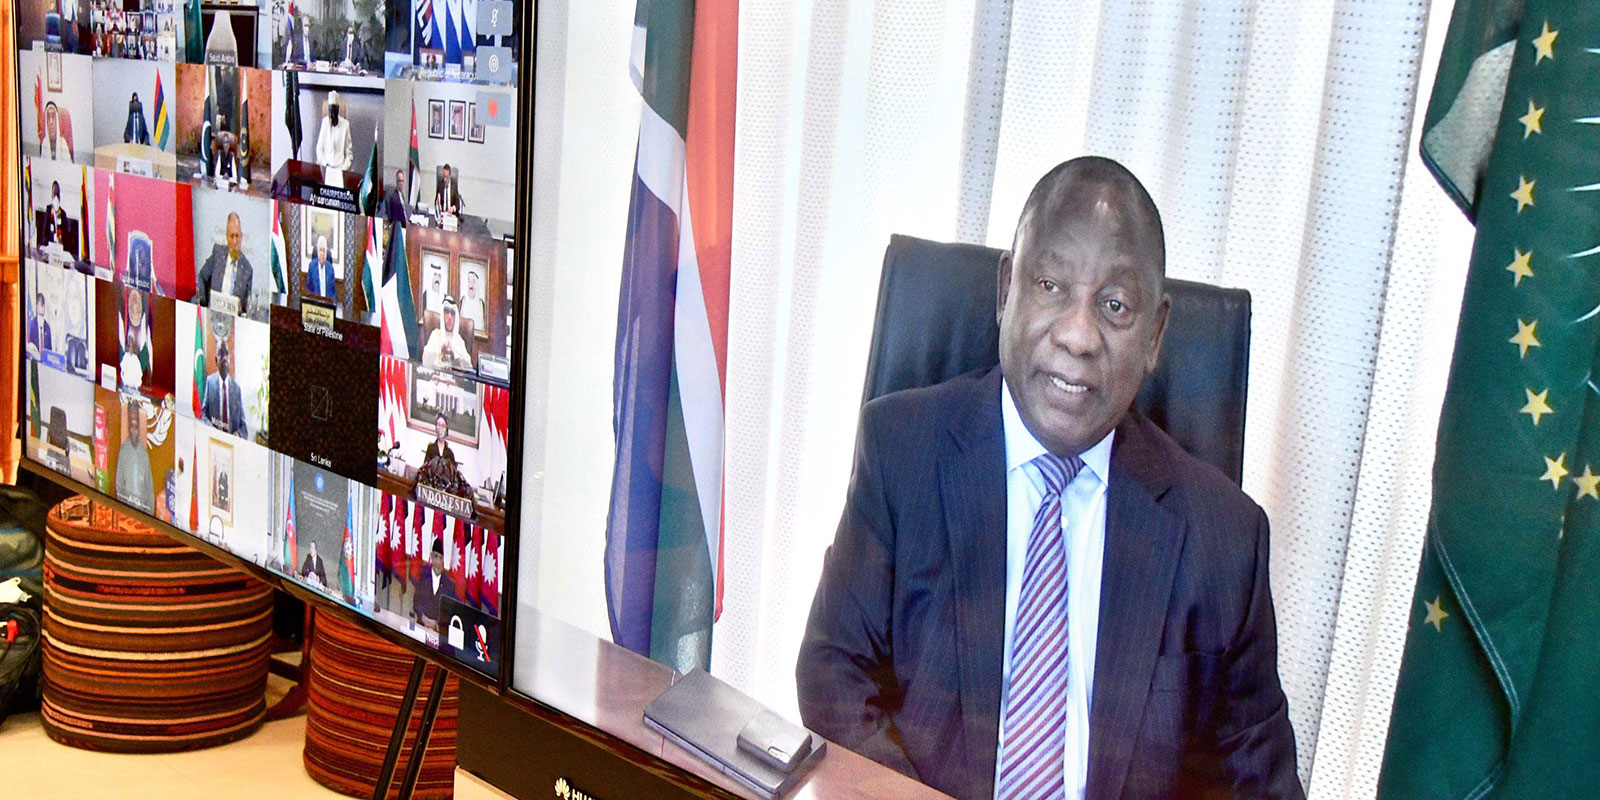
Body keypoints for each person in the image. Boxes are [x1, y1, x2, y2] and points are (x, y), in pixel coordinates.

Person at [795, 157, 1302, 800]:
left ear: (1155, 334)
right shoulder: (902, 454)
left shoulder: (1224, 540)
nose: (1078, 335)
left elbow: (1258, 785)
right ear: (1006, 289)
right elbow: (835, 675)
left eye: (1115, 305)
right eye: (1051, 285)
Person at [194, 212, 254, 315]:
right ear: (227, 237)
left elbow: (245, 307)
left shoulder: (247, 270)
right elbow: (202, 276)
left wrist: (241, 310)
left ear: (241, 237)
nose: (235, 242)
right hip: (212, 313)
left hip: (233, 318)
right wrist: (204, 305)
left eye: (237, 236)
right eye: (232, 236)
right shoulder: (217, 253)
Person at [115, 398, 155, 513]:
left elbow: (149, 489)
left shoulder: (144, 453)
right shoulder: (124, 450)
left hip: (143, 509)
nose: (134, 432)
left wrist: (149, 514)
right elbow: (119, 485)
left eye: (136, 427)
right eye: (131, 427)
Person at [202, 341, 249, 438]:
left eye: (226, 354)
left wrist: (237, 435)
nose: (224, 358)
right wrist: (210, 429)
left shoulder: (236, 389)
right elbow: (202, 415)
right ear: (216, 360)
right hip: (213, 439)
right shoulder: (210, 382)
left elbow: (244, 428)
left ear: (230, 358)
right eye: (221, 354)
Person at [412, 536, 456, 629]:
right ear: (431, 557)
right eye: (435, 556)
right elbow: (416, 602)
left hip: (437, 630)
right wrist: (422, 617)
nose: (438, 561)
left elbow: (448, 612)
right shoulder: (423, 575)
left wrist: (436, 623)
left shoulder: (449, 584)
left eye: (440, 558)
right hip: (421, 624)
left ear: (443, 560)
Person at [422, 301, 472, 370]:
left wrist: (454, 356)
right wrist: (441, 352)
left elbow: (468, 367)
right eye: (446, 312)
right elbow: (426, 362)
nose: (449, 317)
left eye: (452, 313)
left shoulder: (459, 340)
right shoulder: (435, 335)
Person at [315, 90, 354, 173]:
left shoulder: (345, 125)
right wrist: (325, 164)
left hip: (341, 168)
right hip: (326, 167)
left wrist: (343, 169)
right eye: (330, 111)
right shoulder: (324, 123)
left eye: (334, 111)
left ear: (338, 110)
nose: (332, 114)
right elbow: (319, 149)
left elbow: (349, 154)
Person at [306, 235, 337, 299]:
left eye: (324, 251)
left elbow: (333, 292)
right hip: (316, 302)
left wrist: (333, 303)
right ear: (317, 252)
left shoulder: (330, 268)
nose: (322, 254)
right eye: (320, 250)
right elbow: (309, 289)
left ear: (326, 253)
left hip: (328, 302)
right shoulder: (312, 266)